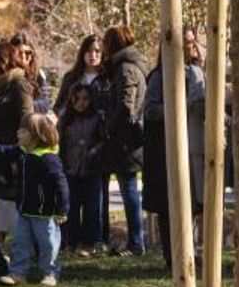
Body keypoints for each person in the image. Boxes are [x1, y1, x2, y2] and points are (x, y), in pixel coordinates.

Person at [142, 34, 206, 273]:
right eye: (186, 42)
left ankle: (192, 253)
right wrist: (181, 106)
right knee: (170, 206)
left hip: (195, 148)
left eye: (192, 41)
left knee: (193, 205)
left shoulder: (197, 72)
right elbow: (150, 110)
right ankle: (173, 256)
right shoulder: (159, 76)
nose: (191, 46)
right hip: (166, 150)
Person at [0, 113, 69, 287]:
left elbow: (61, 186)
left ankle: (50, 273)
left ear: (37, 135)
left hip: (44, 214)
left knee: (48, 244)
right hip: (24, 211)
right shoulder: (23, 152)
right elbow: (3, 151)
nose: (18, 133)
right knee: (20, 243)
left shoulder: (48, 159)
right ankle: (18, 272)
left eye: (23, 131)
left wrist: (62, 210)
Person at [100, 26, 148, 257]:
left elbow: (126, 106)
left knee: (129, 191)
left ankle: (136, 242)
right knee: (129, 190)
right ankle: (136, 241)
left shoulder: (125, 69)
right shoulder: (131, 65)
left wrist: (108, 127)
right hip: (128, 139)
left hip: (126, 141)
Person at [0, 41, 36, 249]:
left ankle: (23, 250)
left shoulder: (18, 83)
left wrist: (20, 146)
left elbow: (27, 116)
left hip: (14, 156)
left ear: (2, 62)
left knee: (14, 205)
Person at [58, 83, 104, 257]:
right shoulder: (66, 119)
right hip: (70, 169)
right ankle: (70, 242)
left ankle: (89, 243)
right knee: (71, 208)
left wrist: (94, 151)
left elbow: (103, 140)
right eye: (77, 99)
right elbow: (60, 144)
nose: (81, 103)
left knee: (92, 208)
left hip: (91, 169)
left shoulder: (97, 118)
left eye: (85, 99)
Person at [10, 32, 51, 113]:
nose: (24, 57)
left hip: (31, 120)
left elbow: (45, 104)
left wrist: (26, 104)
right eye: (19, 53)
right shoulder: (6, 73)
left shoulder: (38, 74)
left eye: (28, 53)